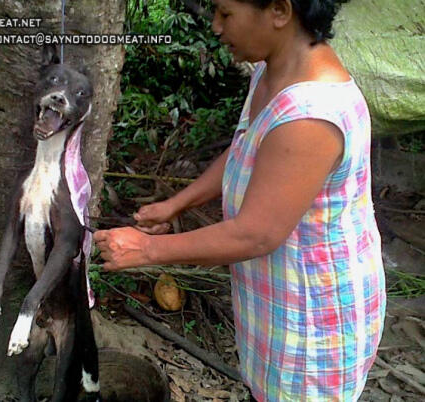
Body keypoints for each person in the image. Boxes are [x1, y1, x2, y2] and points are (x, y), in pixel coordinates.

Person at [94, 0, 385, 400]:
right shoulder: (273, 71)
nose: (215, 26)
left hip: (314, 319)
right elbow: (247, 148)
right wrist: (178, 203)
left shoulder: (310, 115)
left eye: (225, 13)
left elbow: (256, 235)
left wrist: (147, 248)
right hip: (278, 295)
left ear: (280, 11)